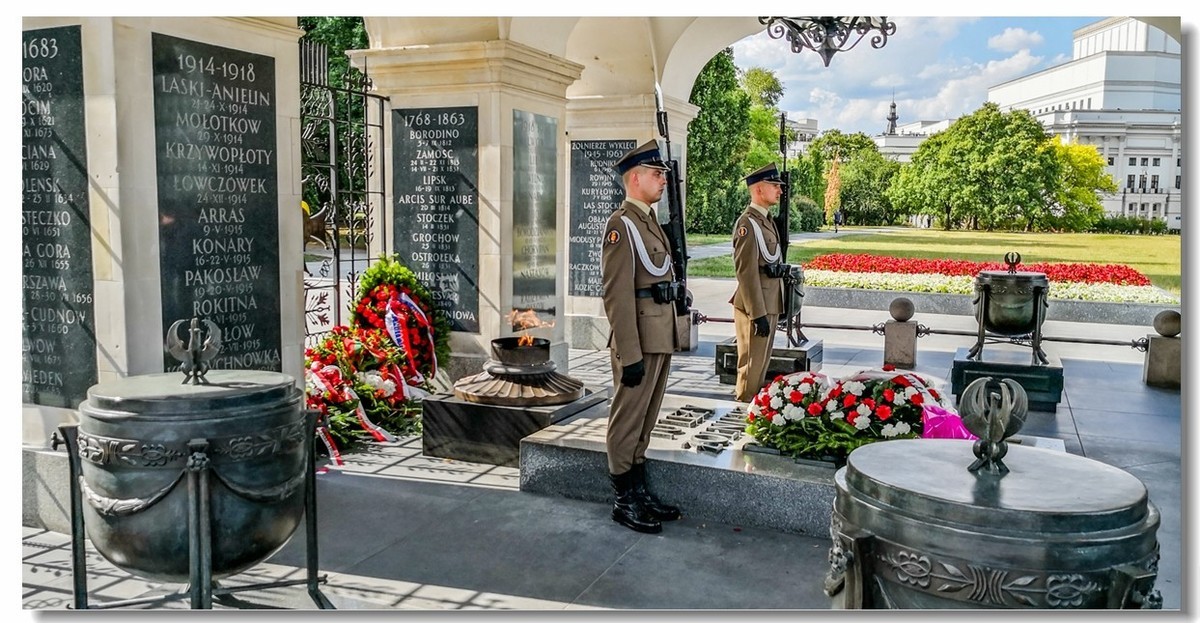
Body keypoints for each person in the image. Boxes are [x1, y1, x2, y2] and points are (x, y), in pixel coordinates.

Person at [599, 140, 684, 534]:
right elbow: (616, 294)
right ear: (635, 178)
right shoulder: (622, 225)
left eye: (663, 174)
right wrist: (629, 353)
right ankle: (623, 499)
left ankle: (638, 489)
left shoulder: (648, 221)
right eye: (656, 174)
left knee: (646, 419)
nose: (663, 180)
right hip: (638, 342)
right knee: (628, 419)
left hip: (659, 335)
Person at [729, 163, 786, 403]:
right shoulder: (748, 224)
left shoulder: (766, 221)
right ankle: (743, 409)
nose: (780, 191)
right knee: (751, 367)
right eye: (775, 186)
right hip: (757, 304)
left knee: (760, 365)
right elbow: (746, 271)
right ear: (759, 190)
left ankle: (752, 409)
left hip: (769, 300)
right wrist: (757, 313)